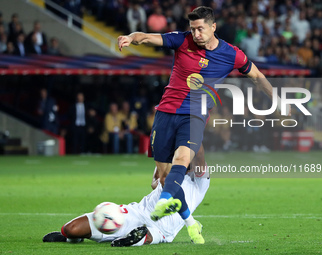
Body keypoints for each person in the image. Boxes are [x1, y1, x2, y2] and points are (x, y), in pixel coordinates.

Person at [118, 6, 291, 244]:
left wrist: (277, 100)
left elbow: (257, 76)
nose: (196, 34)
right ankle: (190, 222)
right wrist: (131, 38)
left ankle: (163, 203)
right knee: (164, 179)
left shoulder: (232, 54)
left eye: (200, 29)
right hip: (165, 113)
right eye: (193, 29)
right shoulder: (182, 41)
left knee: (182, 159)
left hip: (195, 115)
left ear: (213, 27)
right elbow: (147, 37)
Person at [42, 164, 210, 246]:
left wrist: (193, 126)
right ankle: (73, 238)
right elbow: (154, 184)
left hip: (162, 227)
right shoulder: (168, 167)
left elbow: (200, 155)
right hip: (135, 212)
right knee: (70, 229)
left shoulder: (200, 182)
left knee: (146, 236)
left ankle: (131, 239)